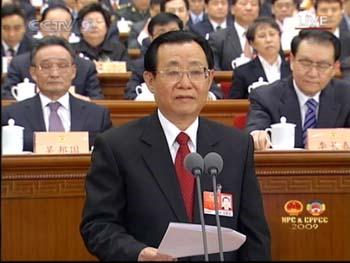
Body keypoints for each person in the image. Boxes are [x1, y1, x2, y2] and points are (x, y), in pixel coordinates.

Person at [80, 30, 271, 261]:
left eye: (195, 72)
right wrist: (138, 254)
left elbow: (254, 234)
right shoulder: (116, 146)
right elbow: (98, 226)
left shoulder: (237, 145)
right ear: (150, 80)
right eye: (172, 72)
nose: (185, 83)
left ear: (209, 78)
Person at [1, 36, 112, 152]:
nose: (54, 74)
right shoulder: (10, 115)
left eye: (62, 66)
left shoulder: (98, 115)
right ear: (33, 73)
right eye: (46, 66)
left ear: (73, 71)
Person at [246, 29, 350, 150]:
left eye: (323, 65)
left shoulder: (346, 95)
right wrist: (257, 135)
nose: (313, 73)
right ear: (292, 61)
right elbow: (255, 128)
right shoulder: (265, 96)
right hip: (284, 168)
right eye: (306, 63)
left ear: (334, 68)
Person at [2, 3, 103, 100]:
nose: (57, 31)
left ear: (71, 30)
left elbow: (97, 100)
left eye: (63, 26)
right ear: (41, 27)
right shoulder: (20, 64)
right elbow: (6, 96)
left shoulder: (86, 67)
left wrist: (73, 100)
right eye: (51, 25)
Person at [124, 14, 223, 99]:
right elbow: (130, 94)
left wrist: (208, 97)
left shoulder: (196, 61)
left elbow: (216, 93)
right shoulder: (141, 65)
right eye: (161, 33)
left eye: (174, 31)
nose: (168, 37)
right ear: (151, 37)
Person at [230, 16, 291, 99]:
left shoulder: (293, 69)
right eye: (262, 36)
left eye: (272, 34)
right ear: (252, 43)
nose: (269, 40)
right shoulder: (242, 72)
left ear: (279, 37)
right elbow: (235, 107)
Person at [207, 0, 260, 70]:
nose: (249, 8)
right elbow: (214, 70)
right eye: (243, 4)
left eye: (253, 4)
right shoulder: (217, 38)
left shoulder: (269, 37)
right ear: (232, 9)